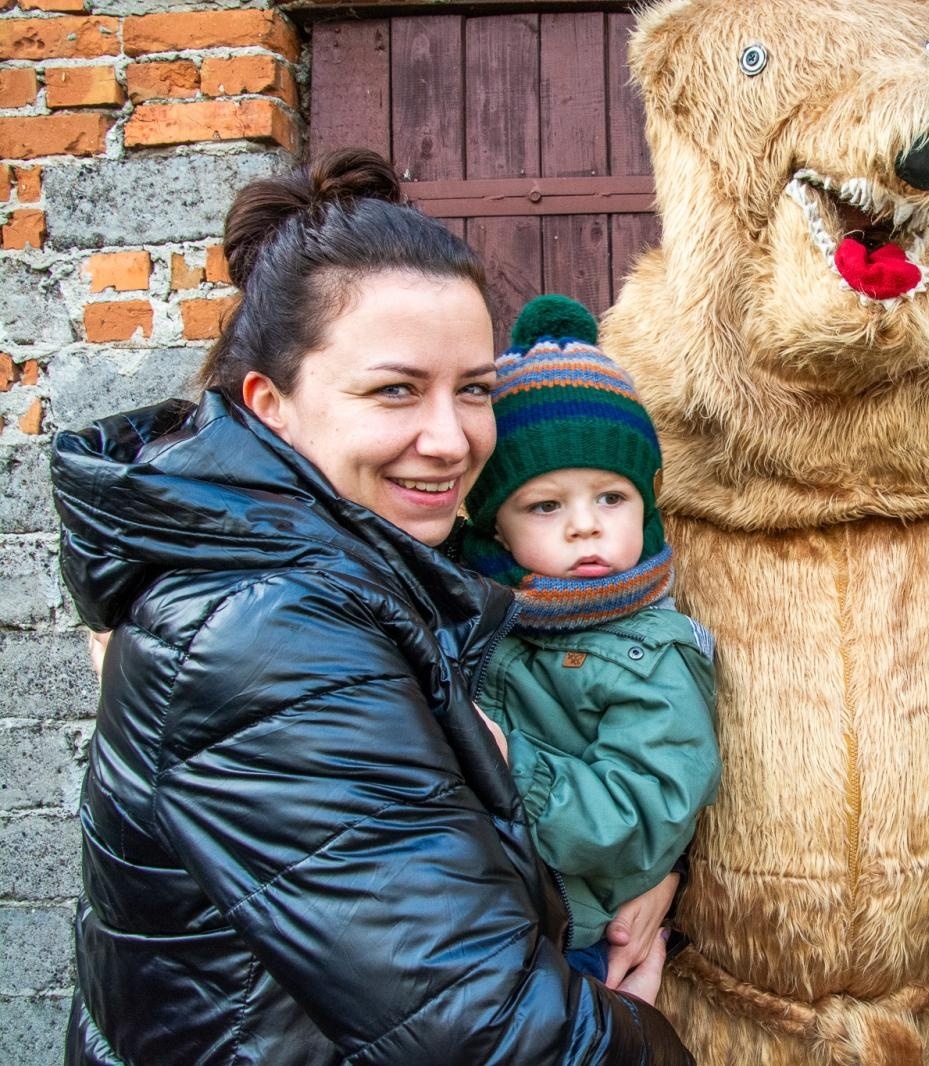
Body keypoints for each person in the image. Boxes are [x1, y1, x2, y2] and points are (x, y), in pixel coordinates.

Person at [51, 148, 693, 1064]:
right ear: (270, 404)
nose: (450, 439)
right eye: (395, 389)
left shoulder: (349, 570)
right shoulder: (265, 626)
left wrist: (646, 876)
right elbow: (499, 1037)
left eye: (473, 389)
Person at [459, 295, 720, 986]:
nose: (586, 527)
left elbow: (647, 812)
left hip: (572, 932)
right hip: (476, 912)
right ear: (496, 528)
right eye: (546, 505)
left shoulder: (651, 650)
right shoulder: (479, 608)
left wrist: (514, 767)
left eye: (612, 497)